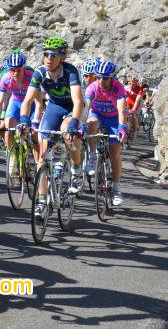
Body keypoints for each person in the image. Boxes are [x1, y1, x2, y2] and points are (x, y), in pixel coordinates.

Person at [18, 36, 85, 219]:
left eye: (53, 55)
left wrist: (74, 122)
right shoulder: (39, 72)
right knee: (41, 154)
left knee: (66, 131)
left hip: (73, 107)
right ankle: (41, 200)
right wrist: (24, 119)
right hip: (55, 107)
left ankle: (76, 169)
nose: (48, 58)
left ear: (62, 57)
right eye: (46, 54)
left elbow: (78, 101)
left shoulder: (70, 71)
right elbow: (27, 100)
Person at [84, 59, 127, 206]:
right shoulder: (92, 87)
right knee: (91, 123)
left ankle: (116, 189)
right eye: (98, 76)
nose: (102, 80)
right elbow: (86, 107)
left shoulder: (118, 87)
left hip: (113, 118)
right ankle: (92, 156)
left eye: (106, 77)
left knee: (115, 153)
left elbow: (121, 109)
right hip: (97, 114)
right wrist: (80, 124)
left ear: (112, 77)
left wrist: (122, 127)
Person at [0, 52, 34, 170]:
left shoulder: (31, 76)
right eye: (12, 70)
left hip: (31, 104)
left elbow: (39, 99)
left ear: (24, 68)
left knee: (34, 133)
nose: (15, 73)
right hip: (15, 102)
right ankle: (12, 156)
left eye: (18, 70)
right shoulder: (6, 79)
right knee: (8, 127)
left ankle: (35, 158)